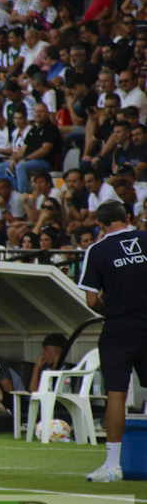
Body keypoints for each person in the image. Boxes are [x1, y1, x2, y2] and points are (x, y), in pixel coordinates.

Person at [78, 201, 147, 483]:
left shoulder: (97, 250)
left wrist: (115, 309)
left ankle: (113, 466)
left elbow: (92, 299)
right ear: (128, 217)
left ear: (101, 226)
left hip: (119, 328)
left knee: (116, 394)